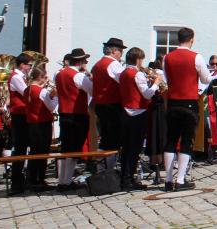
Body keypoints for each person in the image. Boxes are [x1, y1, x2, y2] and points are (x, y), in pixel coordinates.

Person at [161, 27, 212, 191]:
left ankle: (168, 180)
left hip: (173, 103)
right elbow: (206, 78)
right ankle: (181, 180)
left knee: (170, 141)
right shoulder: (196, 57)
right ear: (191, 39)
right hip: (189, 103)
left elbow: (167, 79)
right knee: (186, 141)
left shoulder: (167, 58)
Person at [53, 48, 93, 191]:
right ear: (81, 62)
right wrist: (89, 76)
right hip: (77, 115)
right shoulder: (78, 76)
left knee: (65, 148)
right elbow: (92, 90)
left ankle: (62, 181)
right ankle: (67, 181)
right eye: (85, 61)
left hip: (64, 114)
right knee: (74, 149)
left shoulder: (59, 74)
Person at [119, 47, 158, 190]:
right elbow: (147, 94)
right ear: (138, 59)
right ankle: (130, 179)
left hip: (125, 112)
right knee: (135, 148)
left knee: (127, 148)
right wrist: (155, 83)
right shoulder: (137, 74)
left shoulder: (123, 72)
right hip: (138, 113)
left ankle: (126, 177)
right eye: (142, 59)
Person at [91, 37, 127, 171]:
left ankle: (101, 168)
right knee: (113, 139)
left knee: (105, 138)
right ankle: (109, 171)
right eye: (120, 51)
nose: (121, 54)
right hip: (112, 105)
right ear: (114, 51)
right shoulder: (113, 64)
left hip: (100, 105)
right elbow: (123, 81)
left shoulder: (97, 64)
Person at [22, 68, 56, 192]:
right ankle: (39, 179)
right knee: (42, 152)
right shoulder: (41, 91)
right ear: (41, 77)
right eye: (45, 77)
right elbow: (51, 107)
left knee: (34, 152)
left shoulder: (27, 89)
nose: (47, 79)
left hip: (32, 124)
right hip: (42, 124)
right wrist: (54, 96)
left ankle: (31, 179)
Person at [6, 53, 33, 195]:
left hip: (23, 114)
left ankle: (23, 178)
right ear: (22, 65)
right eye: (29, 65)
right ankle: (17, 181)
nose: (30, 68)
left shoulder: (20, 77)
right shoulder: (16, 77)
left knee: (24, 146)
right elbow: (27, 93)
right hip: (19, 115)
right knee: (21, 147)